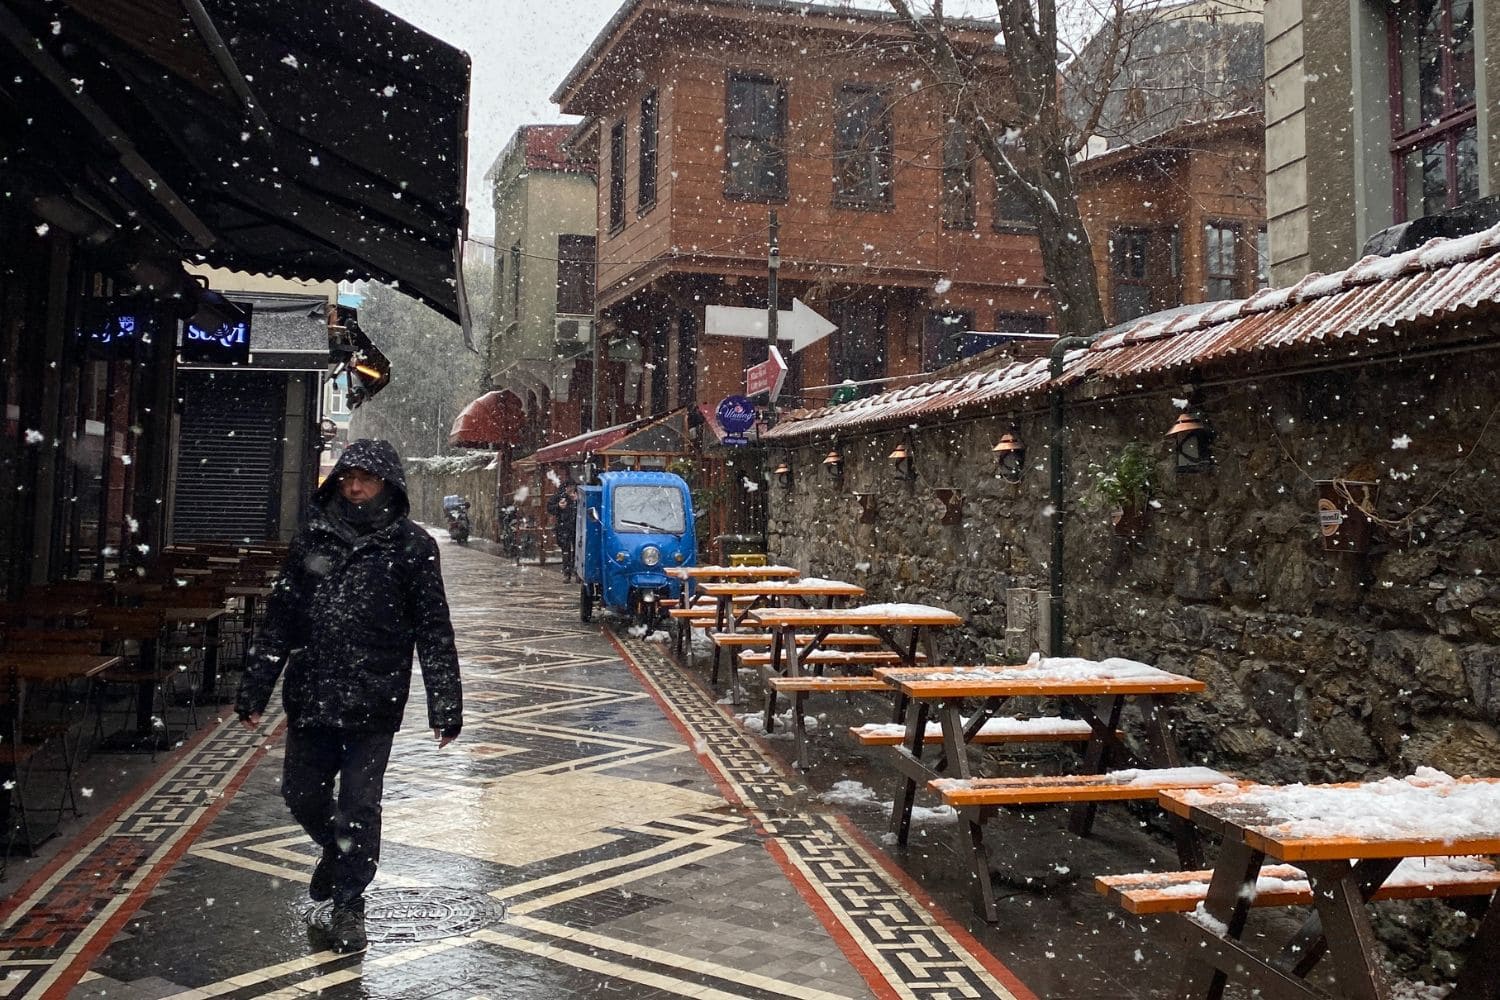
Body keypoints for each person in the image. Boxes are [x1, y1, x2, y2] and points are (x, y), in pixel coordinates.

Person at [235, 439, 463, 955]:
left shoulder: (411, 547)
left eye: (367, 479)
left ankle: (349, 906)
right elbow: (280, 620)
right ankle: (338, 856)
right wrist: (255, 688)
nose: (356, 488)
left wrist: (445, 704)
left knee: (360, 805)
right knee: (301, 795)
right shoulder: (313, 539)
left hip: (374, 699)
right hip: (312, 693)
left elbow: (434, 629)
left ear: (388, 483)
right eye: (348, 478)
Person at [547, 482, 579, 581]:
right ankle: (567, 573)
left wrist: (577, 501)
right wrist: (559, 506)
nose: (570, 489)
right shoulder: (560, 496)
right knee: (566, 551)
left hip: (577, 527)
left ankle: (577, 573)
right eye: (569, 487)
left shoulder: (579, 495)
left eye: (572, 487)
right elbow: (550, 508)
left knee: (578, 551)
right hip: (564, 527)